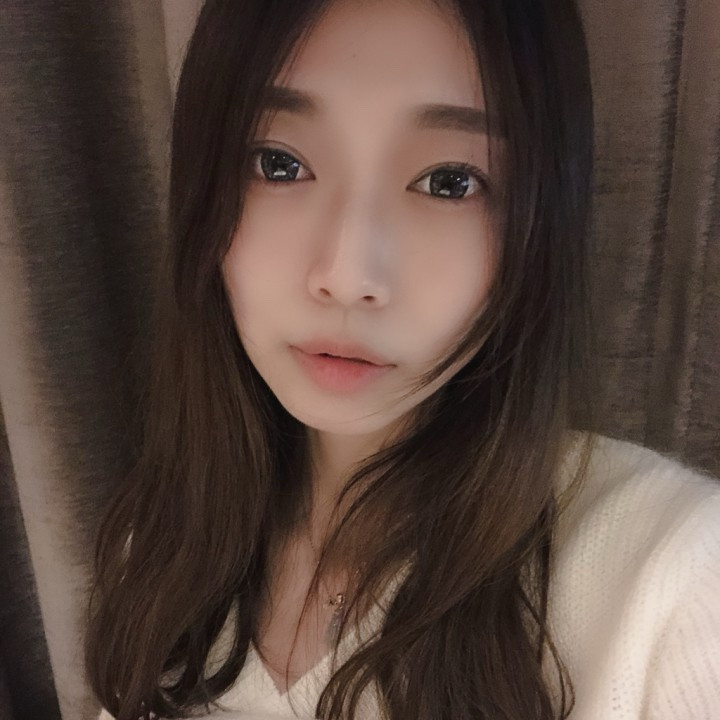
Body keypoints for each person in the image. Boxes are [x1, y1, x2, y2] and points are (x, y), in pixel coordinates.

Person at [87, 0, 720, 718]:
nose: (348, 274)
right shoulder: (161, 548)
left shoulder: (673, 588)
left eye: (450, 181)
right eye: (279, 164)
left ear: (539, 222)